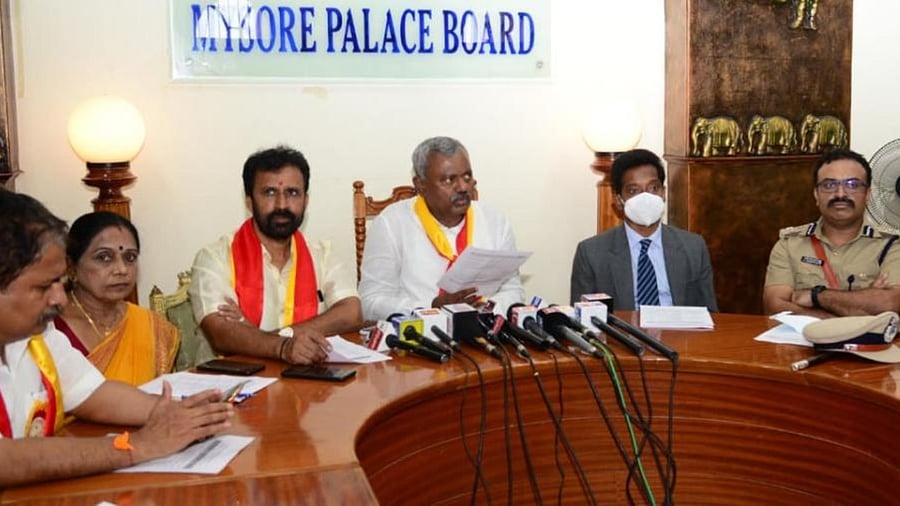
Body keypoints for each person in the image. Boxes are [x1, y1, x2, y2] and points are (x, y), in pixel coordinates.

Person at [0, 190, 231, 487]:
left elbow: (94, 393)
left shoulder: (38, 336)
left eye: (59, 282)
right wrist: (137, 446)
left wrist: (179, 416)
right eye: (44, 286)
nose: (59, 298)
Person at [190, 145, 362, 365]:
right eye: (270, 192)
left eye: (292, 193)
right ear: (249, 201)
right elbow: (221, 334)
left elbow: (351, 314)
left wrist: (263, 336)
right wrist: (283, 348)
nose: (282, 205)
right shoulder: (214, 259)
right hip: (230, 386)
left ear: (305, 201)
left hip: (308, 382)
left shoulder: (324, 255)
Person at [359, 136, 525, 320]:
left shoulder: (494, 221)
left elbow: (513, 289)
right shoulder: (391, 224)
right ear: (420, 185)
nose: (462, 187)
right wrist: (431, 308)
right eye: (448, 180)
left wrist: (487, 309)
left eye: (467, 176)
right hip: (421, 338)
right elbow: (371, 302)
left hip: (486, 332)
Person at [570, 148, 718, 311]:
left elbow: (710, 315)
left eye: (653, 188)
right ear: (618, 200)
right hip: (623, 334)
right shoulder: (591, 253)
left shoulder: (693, 247)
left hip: (680, 335)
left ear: (664, 193)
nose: (646, 197)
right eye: (634, 190)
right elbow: (583, 323)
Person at [763, 149, 900, 317]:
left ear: (867, 195)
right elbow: (774, 306)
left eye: (853, 185)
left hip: (872, 344)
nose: (840, 194)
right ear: (816, 195)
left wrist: (816, 296)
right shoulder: (790, 244)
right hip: (802, 343)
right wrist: (862, 305)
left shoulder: (892, 245)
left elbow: (891, 303)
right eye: (829, 185)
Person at [53, 212, 178, 385]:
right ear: (71, 266)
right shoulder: (49, 328)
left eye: (130, 257)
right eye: (104, 257)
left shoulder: (151, 326)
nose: (122, 269)